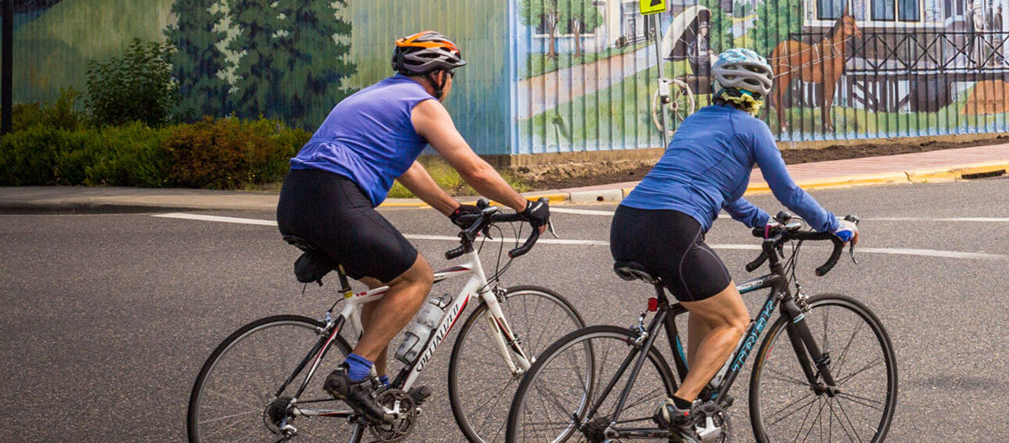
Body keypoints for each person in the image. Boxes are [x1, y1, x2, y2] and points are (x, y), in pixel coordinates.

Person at [277, 31, 548, 425]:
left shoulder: (375, 97)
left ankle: (380, 386)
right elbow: (473, 168)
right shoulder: (422, 104)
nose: (451, 83)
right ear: (437, 75)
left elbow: (406, 168)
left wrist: (454, 210)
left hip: (297, 199)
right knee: (416, 278)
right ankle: (355, 377)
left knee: (382, 288)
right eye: (450, 74)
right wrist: (527, 207)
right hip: (334, 196)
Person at [610, 48, 856, 440]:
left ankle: (695, 394)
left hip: (627, 223)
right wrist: (832, 224)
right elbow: (788, 192)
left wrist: (762, 224)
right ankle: (681, 406)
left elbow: (718, 188)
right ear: (759, 94)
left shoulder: (694, 121)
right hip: (672, 228)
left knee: (703, 307)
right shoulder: (751, 128)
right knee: (735, 319)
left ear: (717, 86)